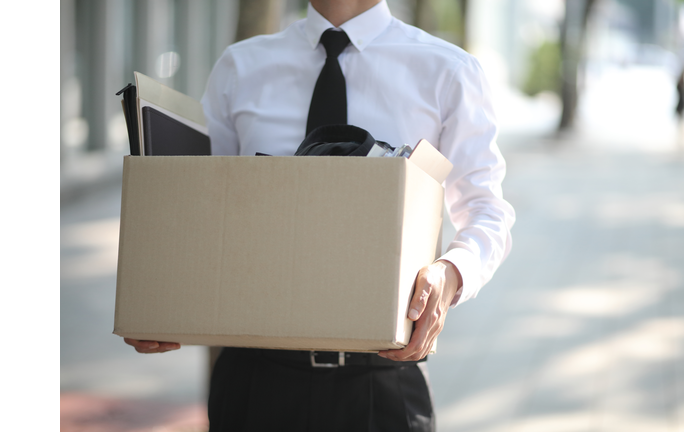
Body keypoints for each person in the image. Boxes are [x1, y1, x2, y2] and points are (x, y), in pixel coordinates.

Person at [124, 0, 515, 430]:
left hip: (382, 381)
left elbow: (486, 210)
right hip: (253, 380)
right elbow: (197, 210)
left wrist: (452, 272)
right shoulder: (240, 66)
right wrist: (158, 296)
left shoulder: (449, 71)